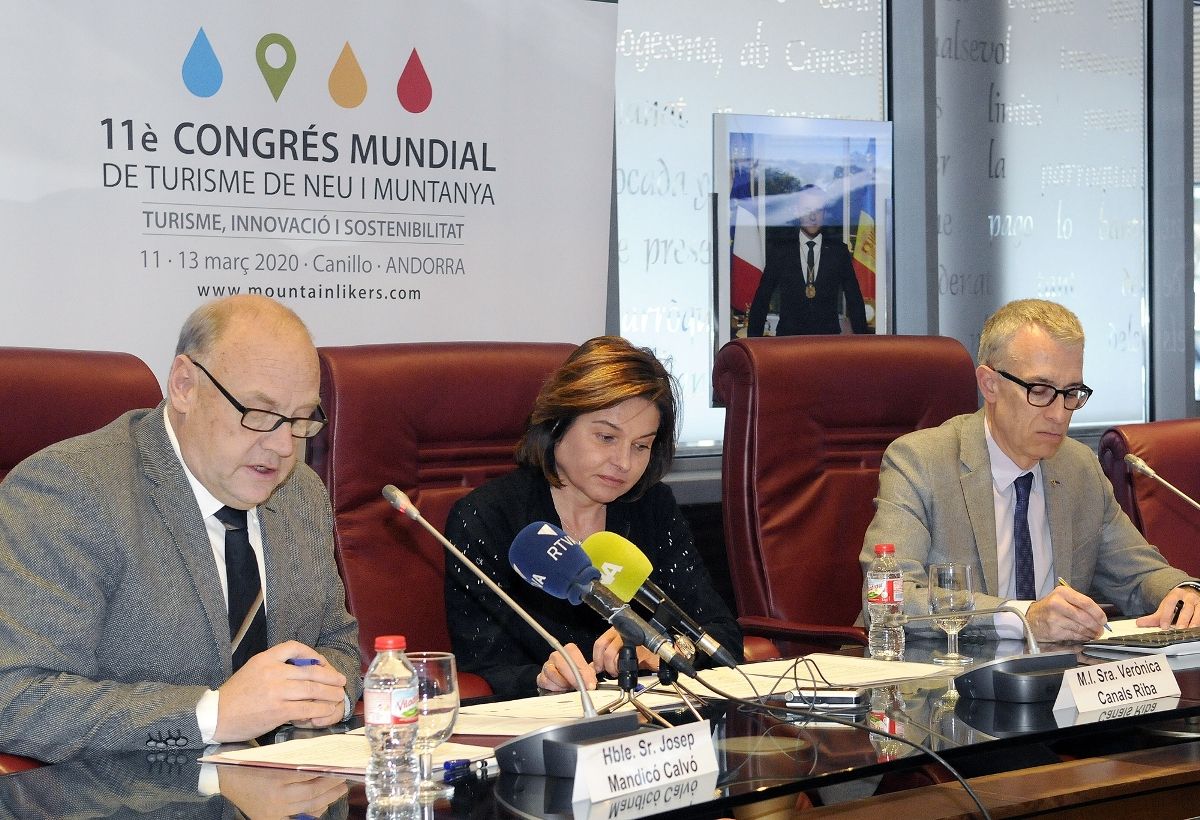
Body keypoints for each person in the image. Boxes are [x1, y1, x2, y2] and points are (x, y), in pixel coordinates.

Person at [0, 295, 361, 762]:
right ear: (185, 385)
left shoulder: (300, 493)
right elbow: (17, 698)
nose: (282, 447)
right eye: (260, 414)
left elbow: (337, 643)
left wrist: (331, 691)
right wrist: (210, 715)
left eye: (298, 421)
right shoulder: (71, 491)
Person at [861, 299, 1200, 643]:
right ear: (989, 384)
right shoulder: (919, 462)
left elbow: (1140, 574)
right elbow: (889, 597)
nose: (1059, 414)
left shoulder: (1078, 468)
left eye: (1072, 393)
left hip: (1057, 684)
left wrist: (1181, 592)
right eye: (1039, 391)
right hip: (943, 683)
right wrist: (1023, 618)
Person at [444, 336, 742, 698]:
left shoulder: (652, 508)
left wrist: (665, 649)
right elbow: (482, 666)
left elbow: (718, 633)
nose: (624, 463)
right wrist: (541, 678)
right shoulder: (486, 518)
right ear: (557, 425)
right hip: (540, 731)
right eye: (605, 437)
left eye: (641, 445)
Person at [747, 184, 869, 337]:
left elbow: (854, 301)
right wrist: (754, 345)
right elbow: (762, 300)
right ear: (797, 212)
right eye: (807, 210)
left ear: (824, 212)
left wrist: (864, 343)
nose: (812, 216)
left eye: (818, 210)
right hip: (788, 345)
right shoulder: (780, 252)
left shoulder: (838, 252)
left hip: (827, 345)